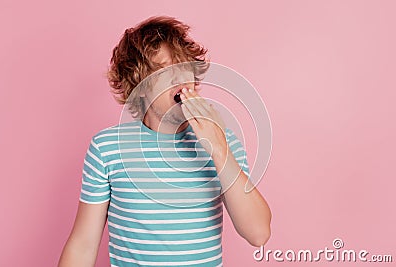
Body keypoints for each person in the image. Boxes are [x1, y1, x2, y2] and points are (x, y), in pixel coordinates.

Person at [58, 15, 271, 267]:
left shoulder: (222, 141)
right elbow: (83, 246)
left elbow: (258, 233)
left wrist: (219, 149)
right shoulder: (107, 149)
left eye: (184, 68)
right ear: (140, 85)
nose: (180, 79)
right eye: (165, 71)